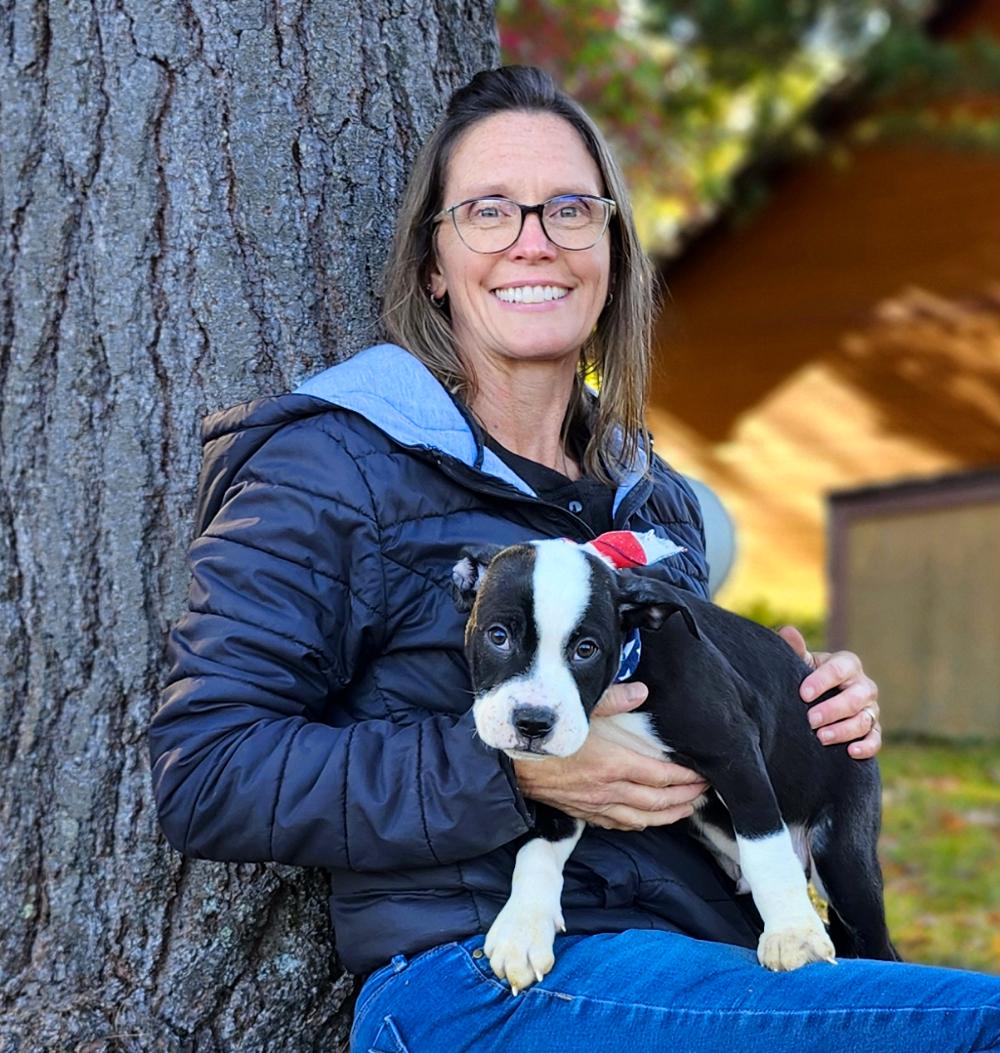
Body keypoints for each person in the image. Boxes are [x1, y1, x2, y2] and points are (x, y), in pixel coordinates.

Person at [149, 65, 1000, 1053]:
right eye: (487, 211)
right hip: (490, 980)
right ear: (432, 263)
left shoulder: (653, 498)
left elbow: (691, 743)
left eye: (568, 209)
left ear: (610, 250)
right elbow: (207, 771)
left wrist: (799, 712)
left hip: (710, 966)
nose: (533, 240)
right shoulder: (335, 464)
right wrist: (513, 773)